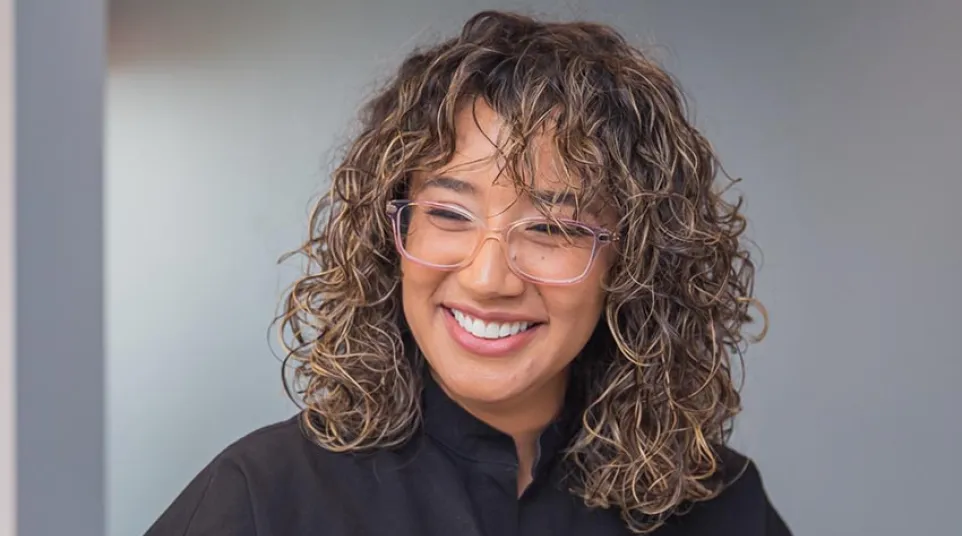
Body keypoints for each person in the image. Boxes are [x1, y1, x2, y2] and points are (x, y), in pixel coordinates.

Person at [145, 10, 790, 536]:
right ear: (390, 233)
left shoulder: (723, 509)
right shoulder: (265, 500)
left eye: (552, 228)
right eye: (450, 213)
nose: (487, 278)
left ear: (635, 261)